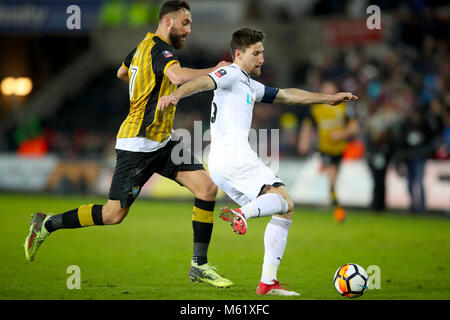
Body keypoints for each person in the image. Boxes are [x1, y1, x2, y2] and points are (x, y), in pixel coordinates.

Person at [24, 0, 233, 289]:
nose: (188, 30)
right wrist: (217, 70)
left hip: (163, 140)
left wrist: (144, 86)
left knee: (207, 189)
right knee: (113, 215)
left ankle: (199, 265)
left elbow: (122, 73)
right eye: (185, 23)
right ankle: (47, 223)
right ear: (168, 21)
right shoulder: (161, 49)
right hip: (138, 144)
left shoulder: (141, 48)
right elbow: (177, 76)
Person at [158, 27, 358, 295]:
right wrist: (176, 95)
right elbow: (204, 82)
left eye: (263, 52)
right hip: (233, 155)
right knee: (284, 201)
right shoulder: (230, 73)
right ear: (239, 54)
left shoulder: (249, 83)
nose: (262, 58)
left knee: (284, 207)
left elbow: (287, 95)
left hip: (222, 161)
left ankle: (267, 283)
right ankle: (243, 215)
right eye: (256, 53)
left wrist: (328, 99)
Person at [297, 81, 359, 222]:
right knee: (331, 176)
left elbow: (354, 127)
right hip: (325, 148)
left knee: (334, 178)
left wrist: (340, 135)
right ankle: (337, 208)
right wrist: (303, 142)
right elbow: (307, 126)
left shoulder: (344, 107)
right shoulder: (316, 108)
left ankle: (334, 199)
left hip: (341, 149)